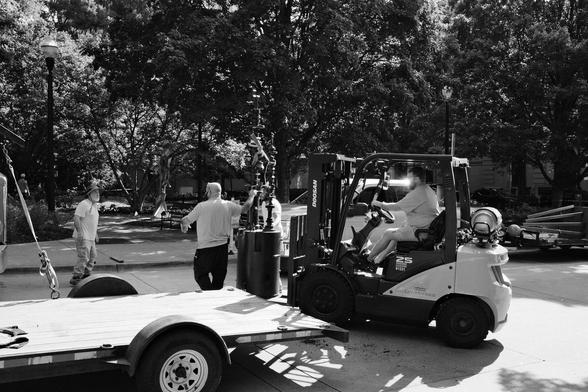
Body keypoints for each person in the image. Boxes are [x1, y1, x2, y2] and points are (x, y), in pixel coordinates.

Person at [181, 182, 256, 290]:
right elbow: (245, 207)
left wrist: (184, 227)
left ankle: (209, 291)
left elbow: (185, 220)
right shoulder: (228, 205)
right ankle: (214, 293)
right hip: (222, 248)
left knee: (200, 274)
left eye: (207, 190)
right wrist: (252, 195)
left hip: (205, 249)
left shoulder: (201, 206)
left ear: (210, 192)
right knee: (219, 278)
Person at [367, 167, 440, 264]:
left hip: (421, 233)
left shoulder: (419, 192)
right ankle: (380, 258)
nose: (408, 181)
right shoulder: (427, 189)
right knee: (400, 228)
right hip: (425, 228)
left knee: (388, 233)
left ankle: (368, 259)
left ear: (417, 179)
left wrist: (379, 204)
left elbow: (397, 206)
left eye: (409, 178)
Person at [70, 183, 101, 285]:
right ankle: (76, 277)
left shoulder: (94, 205)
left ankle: (86, 275)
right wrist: (79, 232)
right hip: (83, 236)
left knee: (93, 257)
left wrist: (95, 234)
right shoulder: (84, 204)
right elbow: (76, 218)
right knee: (84, 257)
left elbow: (92, 221)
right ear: (89, 194)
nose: (97, 194)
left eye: (98, 192)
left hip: (91, 237)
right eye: (95, 192)